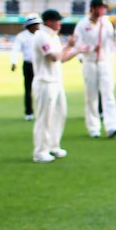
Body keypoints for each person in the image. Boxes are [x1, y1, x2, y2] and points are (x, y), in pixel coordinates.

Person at [31, 9, 84, 163]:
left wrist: (76, 50)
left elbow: (62, 58)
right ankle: (40, 152)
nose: (59, 23)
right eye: (57, 20)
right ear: (49, 21)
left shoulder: (53, 37)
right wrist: (69, 45)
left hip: (56, 81)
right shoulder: (41, 36)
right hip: (45, 82)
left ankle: (53, 146)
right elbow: (54, 57)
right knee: (44, 118)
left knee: (60, 115)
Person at [74, 0, 116, 138]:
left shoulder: (106, 23)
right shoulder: (82, 24)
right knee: (91, 96)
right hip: (89, 62)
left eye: (104, 8)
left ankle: (112, 126)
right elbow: (77, 45)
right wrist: (91, 48)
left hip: (105, 62)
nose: (103, 10)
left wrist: (115, 29)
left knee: (108, 94)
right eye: (101, 8)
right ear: (93, 8)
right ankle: (93, 128)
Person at [11, 13, 41, 121]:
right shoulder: (21, 36)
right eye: (35, 24)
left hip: (40, 65)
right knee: (28, 90)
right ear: (29, 25)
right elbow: (15, 49)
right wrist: (14, 62)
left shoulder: (41, 35)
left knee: (41, 89)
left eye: (38, 24)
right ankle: (29, 112)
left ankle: (41, 111)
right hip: (28, 65)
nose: (37, 26)